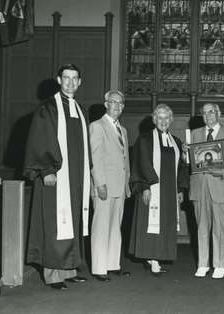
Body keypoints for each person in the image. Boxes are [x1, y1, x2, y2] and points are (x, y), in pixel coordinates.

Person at [24, 64, 91, 290]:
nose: (70, 82)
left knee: (71, 222)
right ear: (59, 80)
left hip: (75, 179)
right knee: (55, 223)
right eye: (66, 78)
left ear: (80, 82)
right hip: (55, 176)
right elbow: (41, 139)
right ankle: (53, 274)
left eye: (75, 78)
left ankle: (69, 269)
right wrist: (47, 170)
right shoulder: (48, 108)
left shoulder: (81, 109)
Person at [129, 104, 188, 275]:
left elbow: (181, 167)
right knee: (151, 224)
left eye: (166, 117)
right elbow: (142, 163)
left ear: (171, 120)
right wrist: (145, 186)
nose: (163, 121)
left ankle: (159, 257)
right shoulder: (145, 139)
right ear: (154, 120)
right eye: (159, 117)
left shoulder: (176, 141)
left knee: (165, 224)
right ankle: (153, 260)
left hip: (169, 192)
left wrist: (180, 189)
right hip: (153, 190)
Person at [189, 103, 224, 279]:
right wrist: (184, 155)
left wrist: (223, 172)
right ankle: (203, 264)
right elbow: (188, 162)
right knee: (201, 227)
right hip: (199, 187)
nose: (207, 116)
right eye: (204, 113)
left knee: (220, 228)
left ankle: (219, 264)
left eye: (211, 112)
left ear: (218, 114)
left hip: (220, 186)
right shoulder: (195, 134)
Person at [89, 90, 131, 282]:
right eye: (113, 102)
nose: (117, 106)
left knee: (115, 226)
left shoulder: (123, 130)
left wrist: (127, 185)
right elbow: (95, 158)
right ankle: (99, 267)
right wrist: (100, 184)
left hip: (120, 186)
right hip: (104, 185)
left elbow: (125, 161)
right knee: (101, 226)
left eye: (121, 103)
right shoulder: (97, 126)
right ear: (106, 104)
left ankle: (113, 264)